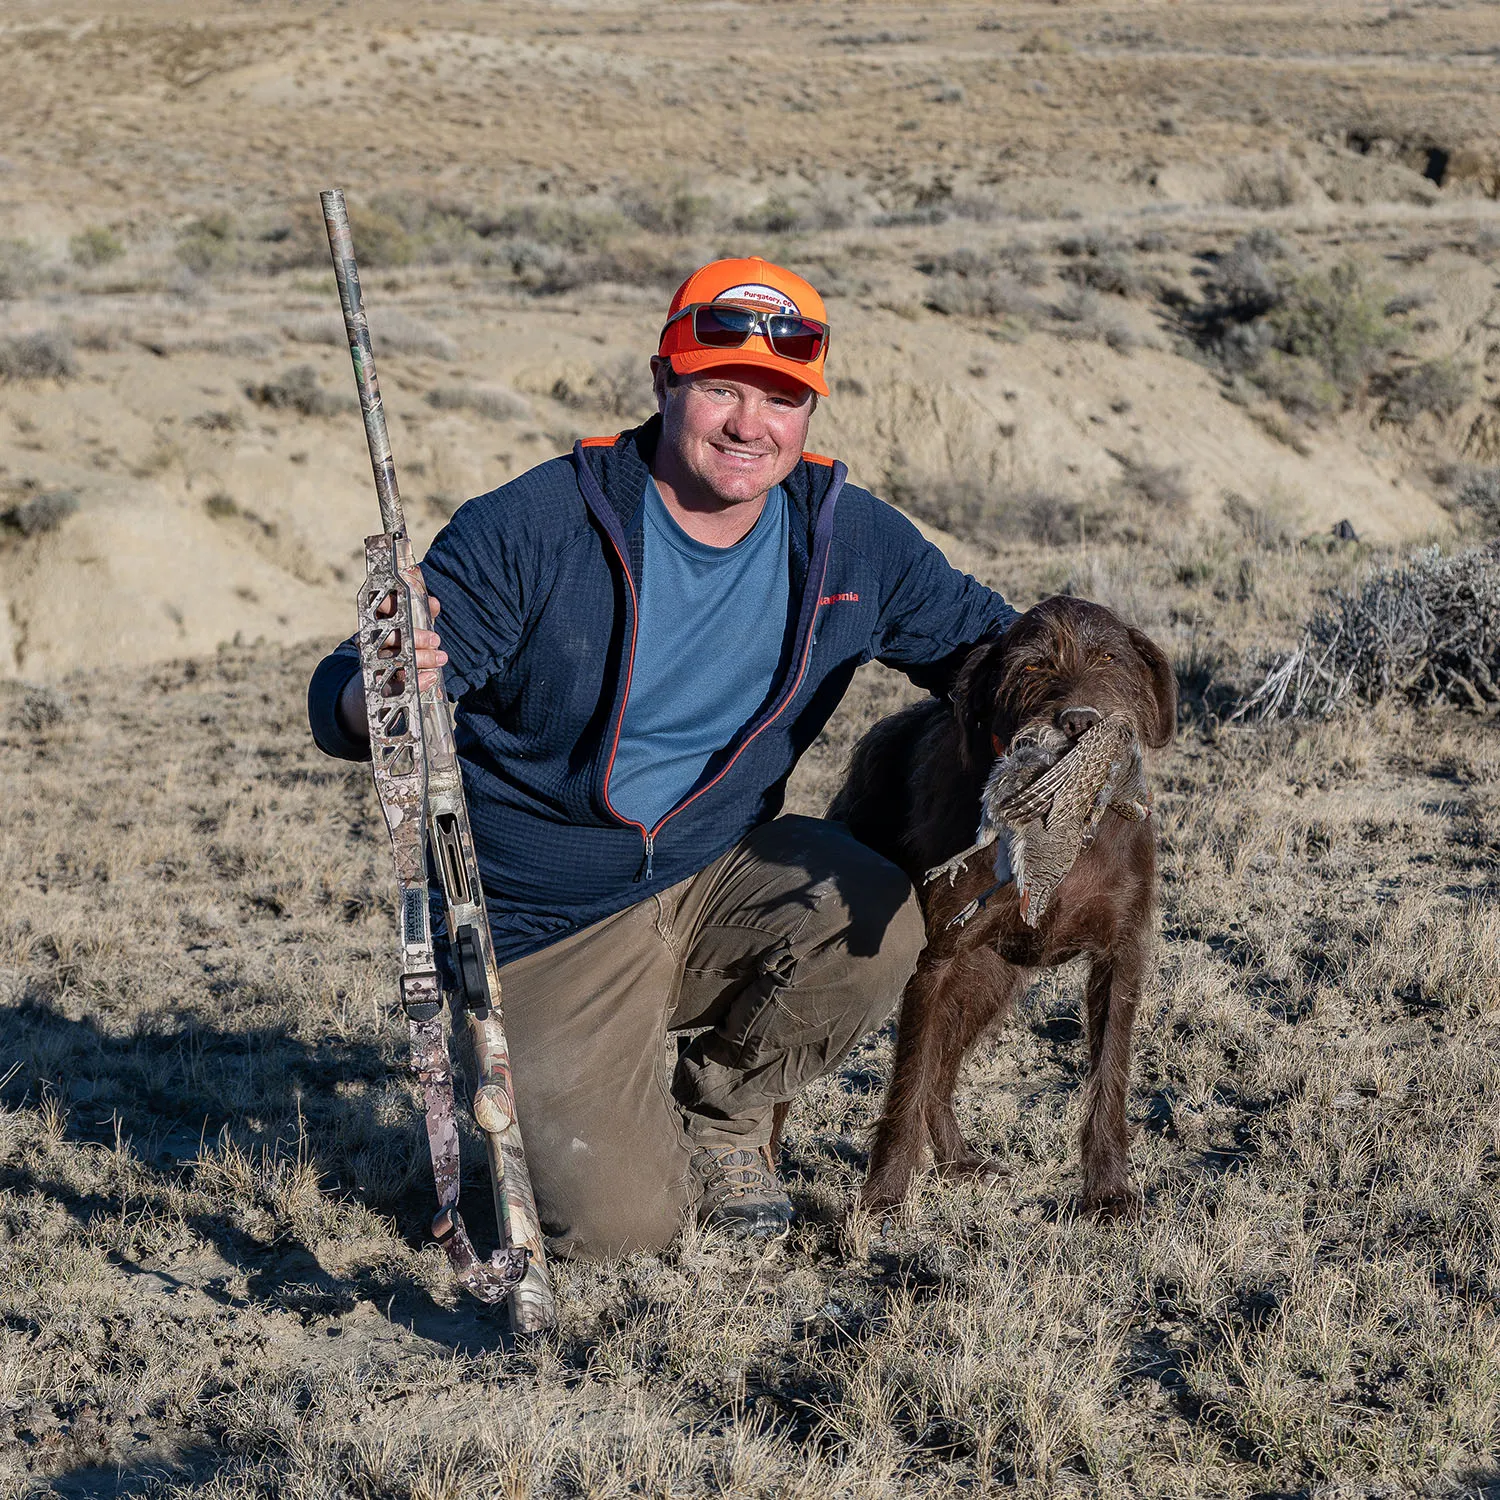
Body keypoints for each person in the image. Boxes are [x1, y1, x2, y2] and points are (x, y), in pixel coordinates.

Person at [308, 256, 1018, 1258]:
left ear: (810, 411)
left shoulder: (849, 540)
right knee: (619, 1229)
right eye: (721, 389)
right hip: (547, 920)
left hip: (715, 873)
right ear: (662, 383)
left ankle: (724, 1122)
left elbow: (988, 649)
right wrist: (377, 683)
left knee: (872, 917)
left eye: (779, 399)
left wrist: (1073, 701)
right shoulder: (537, 525)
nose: (748, 424)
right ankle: (532, 1097)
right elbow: (356, 695)